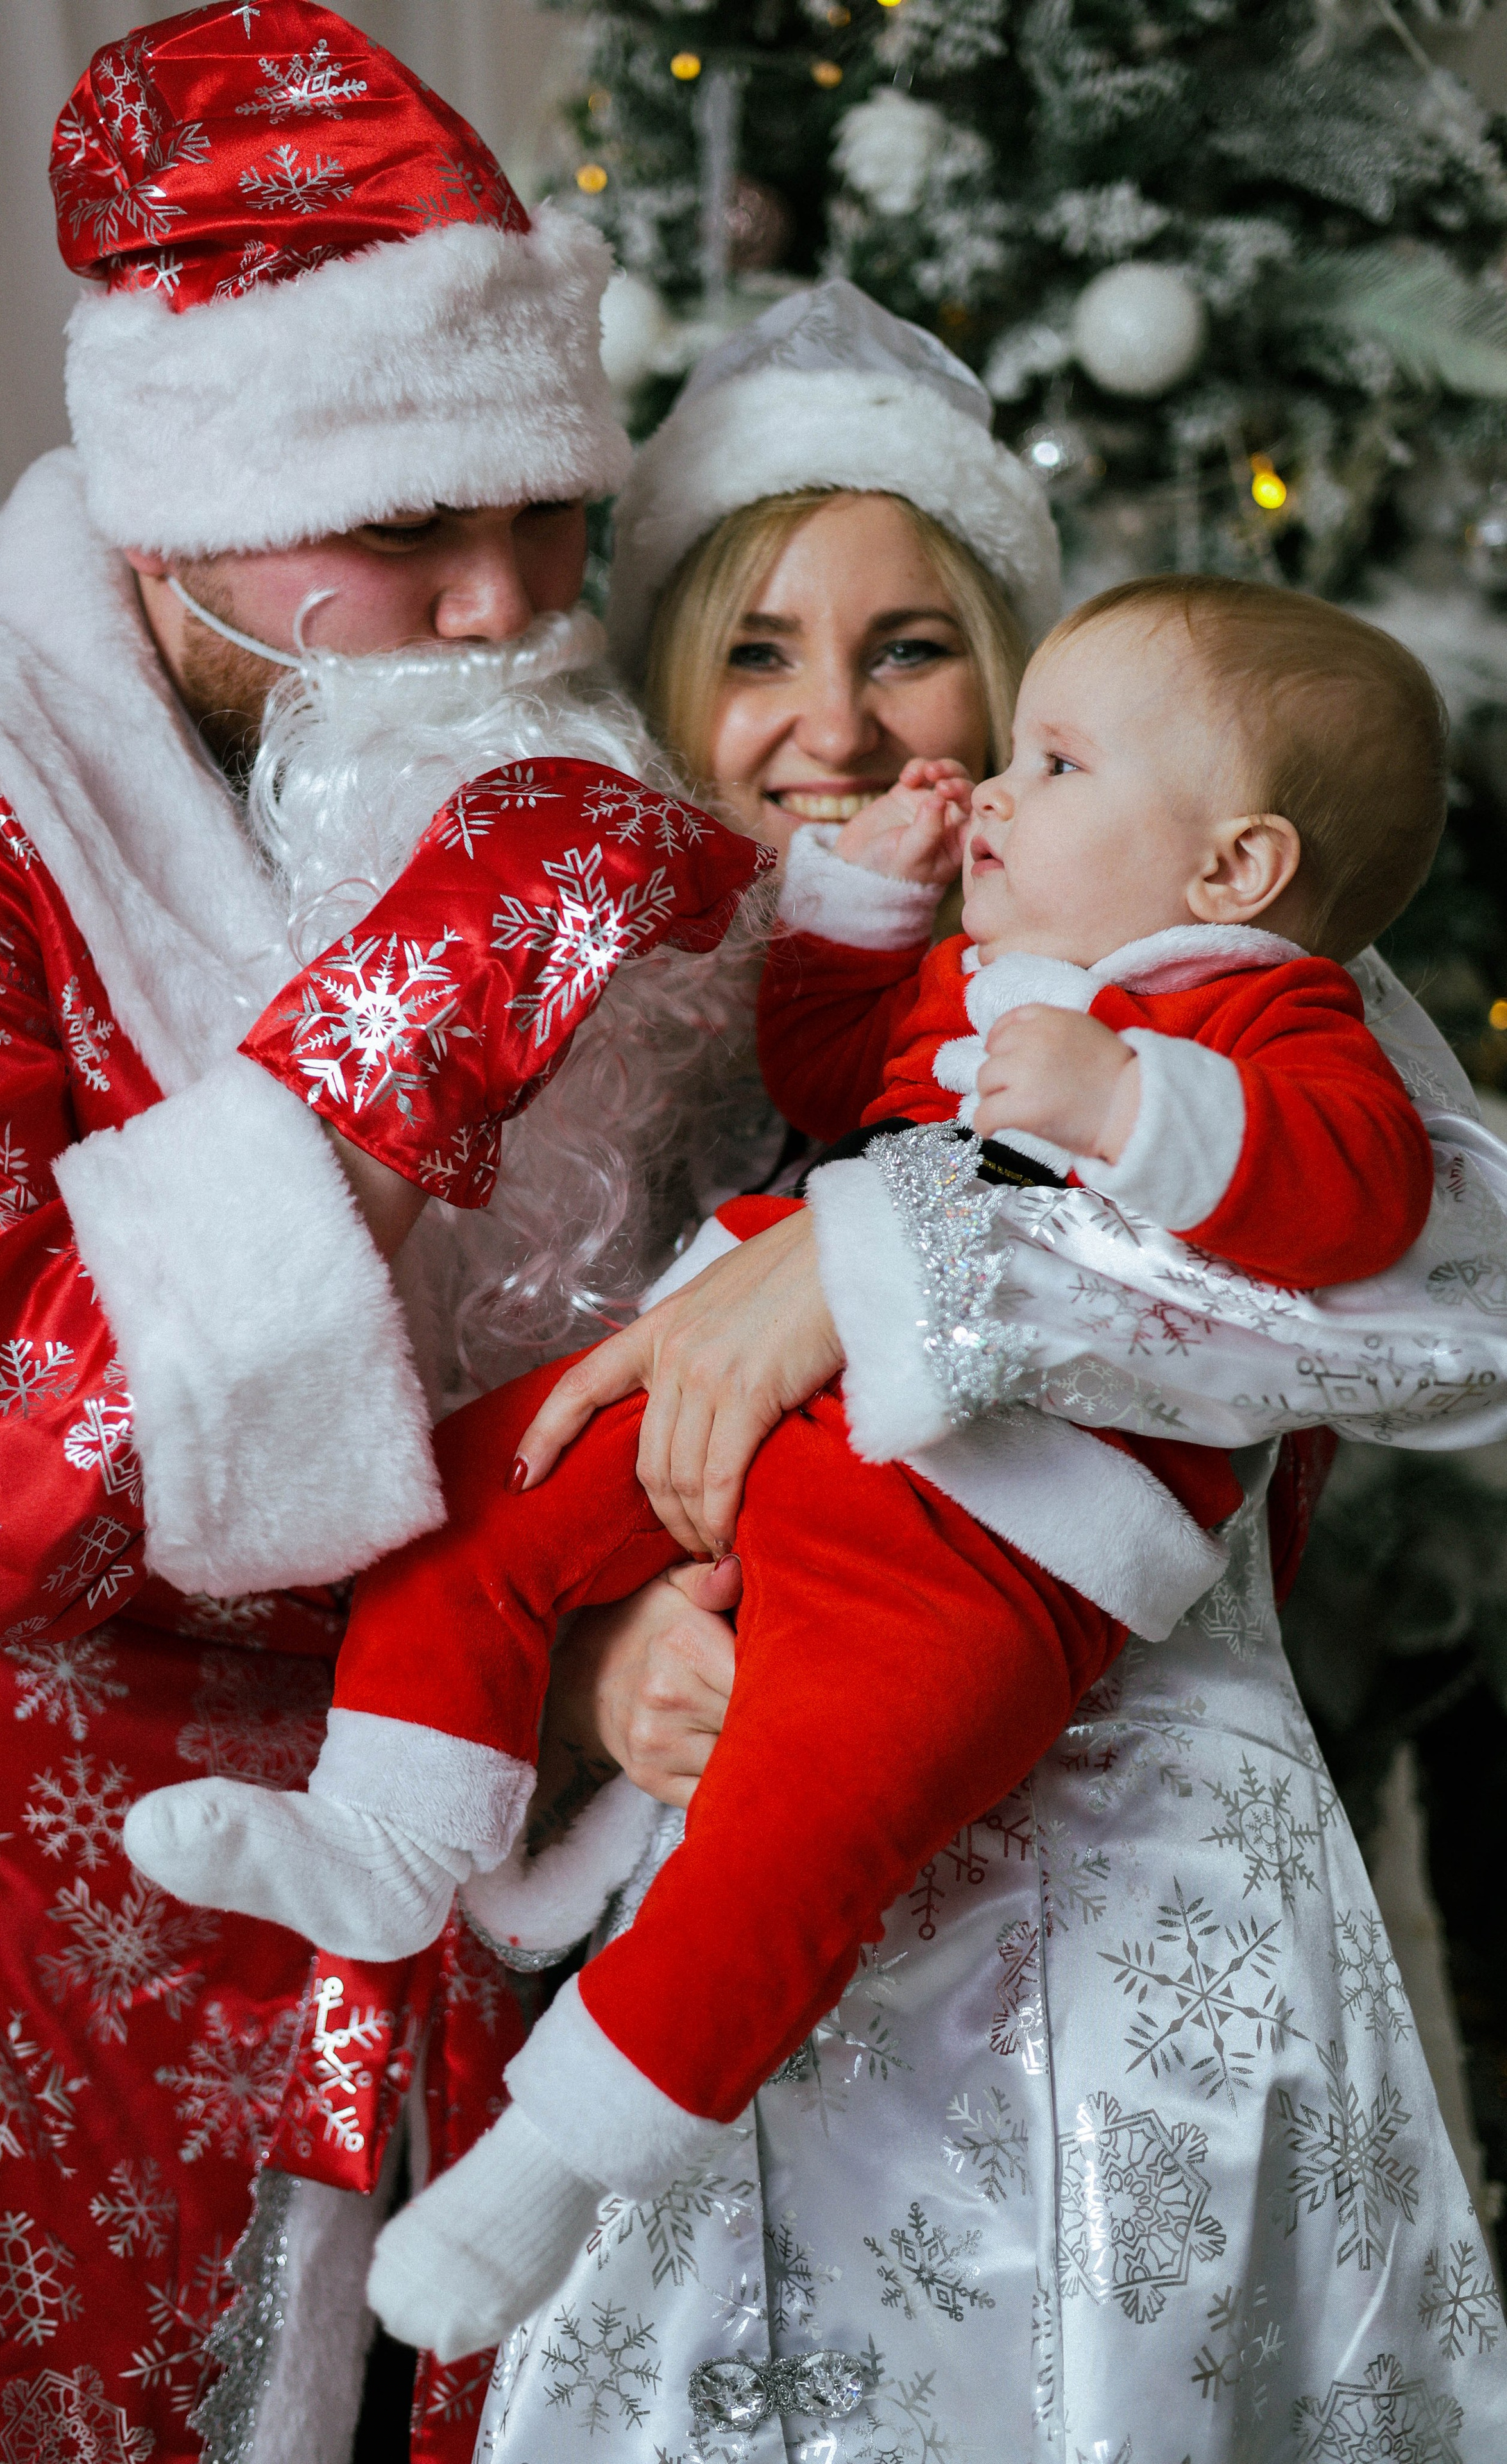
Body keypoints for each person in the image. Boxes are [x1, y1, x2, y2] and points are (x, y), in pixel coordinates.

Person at [355, 287, 1507, 2459]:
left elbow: (1435, 1278)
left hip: (1122, 1962)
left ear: (1012, 669)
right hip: (727, 1986)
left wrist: (878, 1260)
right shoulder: (595, 1052)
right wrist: (598, 1678)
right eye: (759, 649)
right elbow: (453, 1509)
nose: (841, 726)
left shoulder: (1168, 963)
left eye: (909, 648)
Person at [133, 570, 1442, 2364]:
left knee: (801, 1823)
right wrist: (862, 902)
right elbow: (835, 1060)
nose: (965, 780)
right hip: (742, 1429)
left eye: (1038, 752)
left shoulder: (1251, 1010)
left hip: (991, 1543)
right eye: (761, 648)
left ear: (1232, 868)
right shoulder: (986, 964)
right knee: (485, 1485)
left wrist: (1127, 1110)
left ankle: (552, 2165)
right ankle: (381, 1832)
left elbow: (1370, 1198)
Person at [0, 8, 768, 2456]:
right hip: (62, 1975)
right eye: (398, 537)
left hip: (519, 1914)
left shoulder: (553, 723)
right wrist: (420, 1006)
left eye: (543, 512)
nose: (501, 611)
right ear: (182, 509)